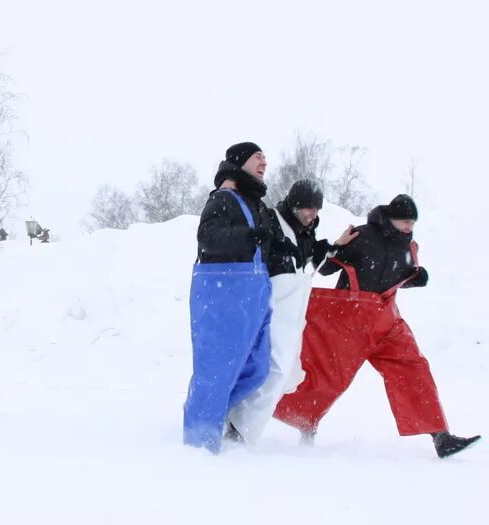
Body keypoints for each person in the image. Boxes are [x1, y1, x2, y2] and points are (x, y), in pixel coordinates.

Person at [273, 194, 481, 458]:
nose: (409, 227)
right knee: (327, 379)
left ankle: (441, 438)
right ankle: (282, 417)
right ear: (391, 218)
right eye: (405, 222)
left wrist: (415, 278)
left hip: (387, 320)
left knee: (414, 368)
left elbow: (395, 276)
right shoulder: (362, 235)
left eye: (412, 223)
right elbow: (324, 269)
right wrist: (336, 247)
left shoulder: (409, 247)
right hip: (350, 320)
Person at [183, 142, 296, 453]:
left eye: (265, 157)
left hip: (253, 293)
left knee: (257, 367)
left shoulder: (254, 204)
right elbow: (207, 237)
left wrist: (281, 251)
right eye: (257, 156)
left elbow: (258, 245)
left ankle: (212, 412)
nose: (264, 161)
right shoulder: (223, 198)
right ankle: (199, 443)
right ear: (239, 162)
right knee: (217, 369)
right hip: (222, 293)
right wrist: (248, 237)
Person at [226, 179, 358, 444]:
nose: (313, 214)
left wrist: (334, 246)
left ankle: (240, 423)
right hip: (269, 308)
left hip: (291, 316)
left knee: (284, 374)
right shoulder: (272, 221)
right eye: (308, 208)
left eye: (316, 210)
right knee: (270, 370)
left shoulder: (306, 232)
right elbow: (252, 250)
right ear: (294, 204)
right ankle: (240, 431)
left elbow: (308, 260)